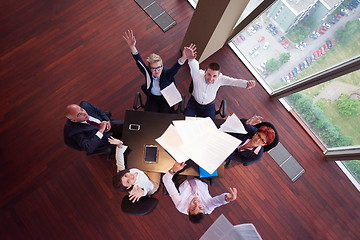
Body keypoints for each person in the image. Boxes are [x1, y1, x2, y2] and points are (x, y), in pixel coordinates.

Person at [183, 44, 257, 118]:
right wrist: (191, 59)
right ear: (205, 72)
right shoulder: (198, 75)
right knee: (185, 121)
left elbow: (233, 81)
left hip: (209, 107)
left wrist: (246, 84)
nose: (211, 78)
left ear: (218, 75)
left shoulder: (220, 79)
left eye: (214, 76)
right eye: (209, 74)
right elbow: (194, 67)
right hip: (194, 103)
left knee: (209, 125)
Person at [123, 29, 188, 113]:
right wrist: (132, 47)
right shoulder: (148, 73)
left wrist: (184, 58)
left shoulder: (166, 73)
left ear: (162, 66)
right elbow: (139, 62)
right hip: (153, 98)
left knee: (165, 116)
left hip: (165, 98)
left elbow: (175, 68)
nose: (157, 71)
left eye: (159, 67)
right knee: (150, 115)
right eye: (154, 69)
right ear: (150, 68)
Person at [162, 161, 237, 224]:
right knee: (211, 160)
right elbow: (219, 201)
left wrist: (173, 170)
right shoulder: (208, 208)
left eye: (193, 207)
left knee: (181, 161)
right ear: (204, 209)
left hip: (183, 178)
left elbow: (166, 180)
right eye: (200, 207)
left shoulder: (180, 205)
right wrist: (228, 198)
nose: (196, 203)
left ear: (188, 210)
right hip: (201, 179)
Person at [109, 137, 160, 202]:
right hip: (151, 182)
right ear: (129, 187)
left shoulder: (122, 172)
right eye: (128, 181)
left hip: (142, 171)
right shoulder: (137, 188)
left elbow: (119, 159)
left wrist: (119, 144)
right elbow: (142, 190)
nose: (130, 176)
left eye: (125, 176)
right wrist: (141, 192)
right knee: (157, 160)